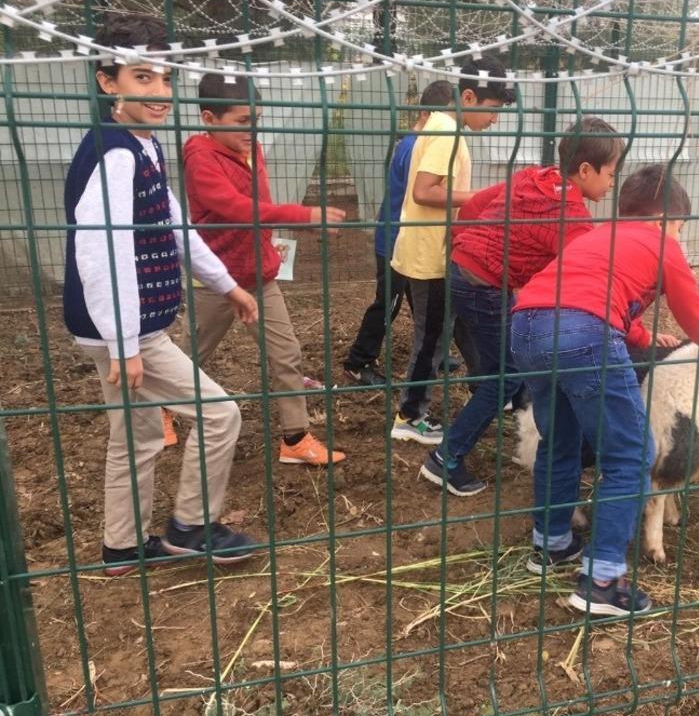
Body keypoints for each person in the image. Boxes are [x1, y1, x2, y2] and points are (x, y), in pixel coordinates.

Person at [510, 164, 699, 616]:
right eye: (680, 227)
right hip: (583, 334)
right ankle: (603, 581)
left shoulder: (598, 236)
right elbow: (694, 316)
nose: (678, 236)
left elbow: (594, 294)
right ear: (666, 220)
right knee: (632, 454)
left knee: (560, 440)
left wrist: (644, 339)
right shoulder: (660, 243)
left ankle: (551, 544)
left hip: (526, 325)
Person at [63, 14, 258, 576]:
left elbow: (176, 228)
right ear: (108, 83)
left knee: (139, 433)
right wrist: (125, 341)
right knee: (220, 413)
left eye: (166, 79)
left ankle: (121, 548)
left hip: (115, 327)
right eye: (143, 78)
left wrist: (227, 285)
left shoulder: (141, 149)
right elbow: (102, 253)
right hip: (124, 330)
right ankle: (191, 527)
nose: (160, 92)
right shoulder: (116, 153)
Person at [419, 117, 623, 496]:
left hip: (465, 269)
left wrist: (465, 239)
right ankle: (446, 458)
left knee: (507, 367)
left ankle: (529, 430)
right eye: (610, 174)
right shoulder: (574, 218)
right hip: (484, 283)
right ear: (585, 170)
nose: (612, 183)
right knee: (506, 377)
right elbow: (589, 274)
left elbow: (480, 202)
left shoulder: (536, 176)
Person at [179, 72, 346, 466]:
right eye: (241, 121)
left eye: (256, 118)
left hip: (257, 277)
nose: (252, 128)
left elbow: (261, 207)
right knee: (190, 357)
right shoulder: (200, 159)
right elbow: (238, 210)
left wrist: (267, 252)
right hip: (215, 279)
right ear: (208, 119)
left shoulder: (250, 148)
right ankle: (159, 410)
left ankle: (295, 438)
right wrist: (304, 214)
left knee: (286, 354)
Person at [388, 57, 516, 445]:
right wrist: (484, 198)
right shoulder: (447, 131)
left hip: (439, 250)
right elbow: (424, 192)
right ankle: (409, 416)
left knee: (454, 328)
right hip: (430, 255)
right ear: (469, 96)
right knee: (431, 339)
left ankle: (498, 389)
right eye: (492, 111)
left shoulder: (444, 127)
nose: (494, 120)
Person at [341, 80, 454, 387]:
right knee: (387, 303)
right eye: (452, 116)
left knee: (423, 300)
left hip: (406, 237)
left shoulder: (416, 142)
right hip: (396, 240)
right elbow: (424, 193)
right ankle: (358, 361)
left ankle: (435, 353)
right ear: (435, 113)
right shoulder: (416, 145)